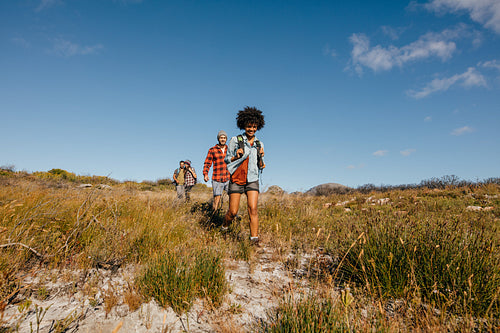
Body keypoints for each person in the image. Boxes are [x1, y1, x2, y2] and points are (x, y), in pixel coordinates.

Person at [223, 106, 265, 245]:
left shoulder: (259, 143)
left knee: (253, 209)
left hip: (252, 179)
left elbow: (259, 163)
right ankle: (224, 227)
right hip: (237, 178)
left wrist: (262, 161)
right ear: (243, 125)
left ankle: (254, 240)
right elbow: (227, 159)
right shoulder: (236, 140)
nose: (251, 129)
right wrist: (236, 156)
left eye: (254, 127)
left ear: (258, 126)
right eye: (249, 126)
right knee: (233, 212)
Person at [203, 130, 230, 211]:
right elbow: (207, 163)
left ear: (226, 139)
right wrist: (205, 174)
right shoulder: (212, 150)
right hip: (217, 178)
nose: (223, 139)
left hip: (228, 177)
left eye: (224, 138)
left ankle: (232, 215)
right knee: (217, 198)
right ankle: (214, 216)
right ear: (218, 139)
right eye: (221, 138)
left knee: (233, 197)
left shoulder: (230, 149)